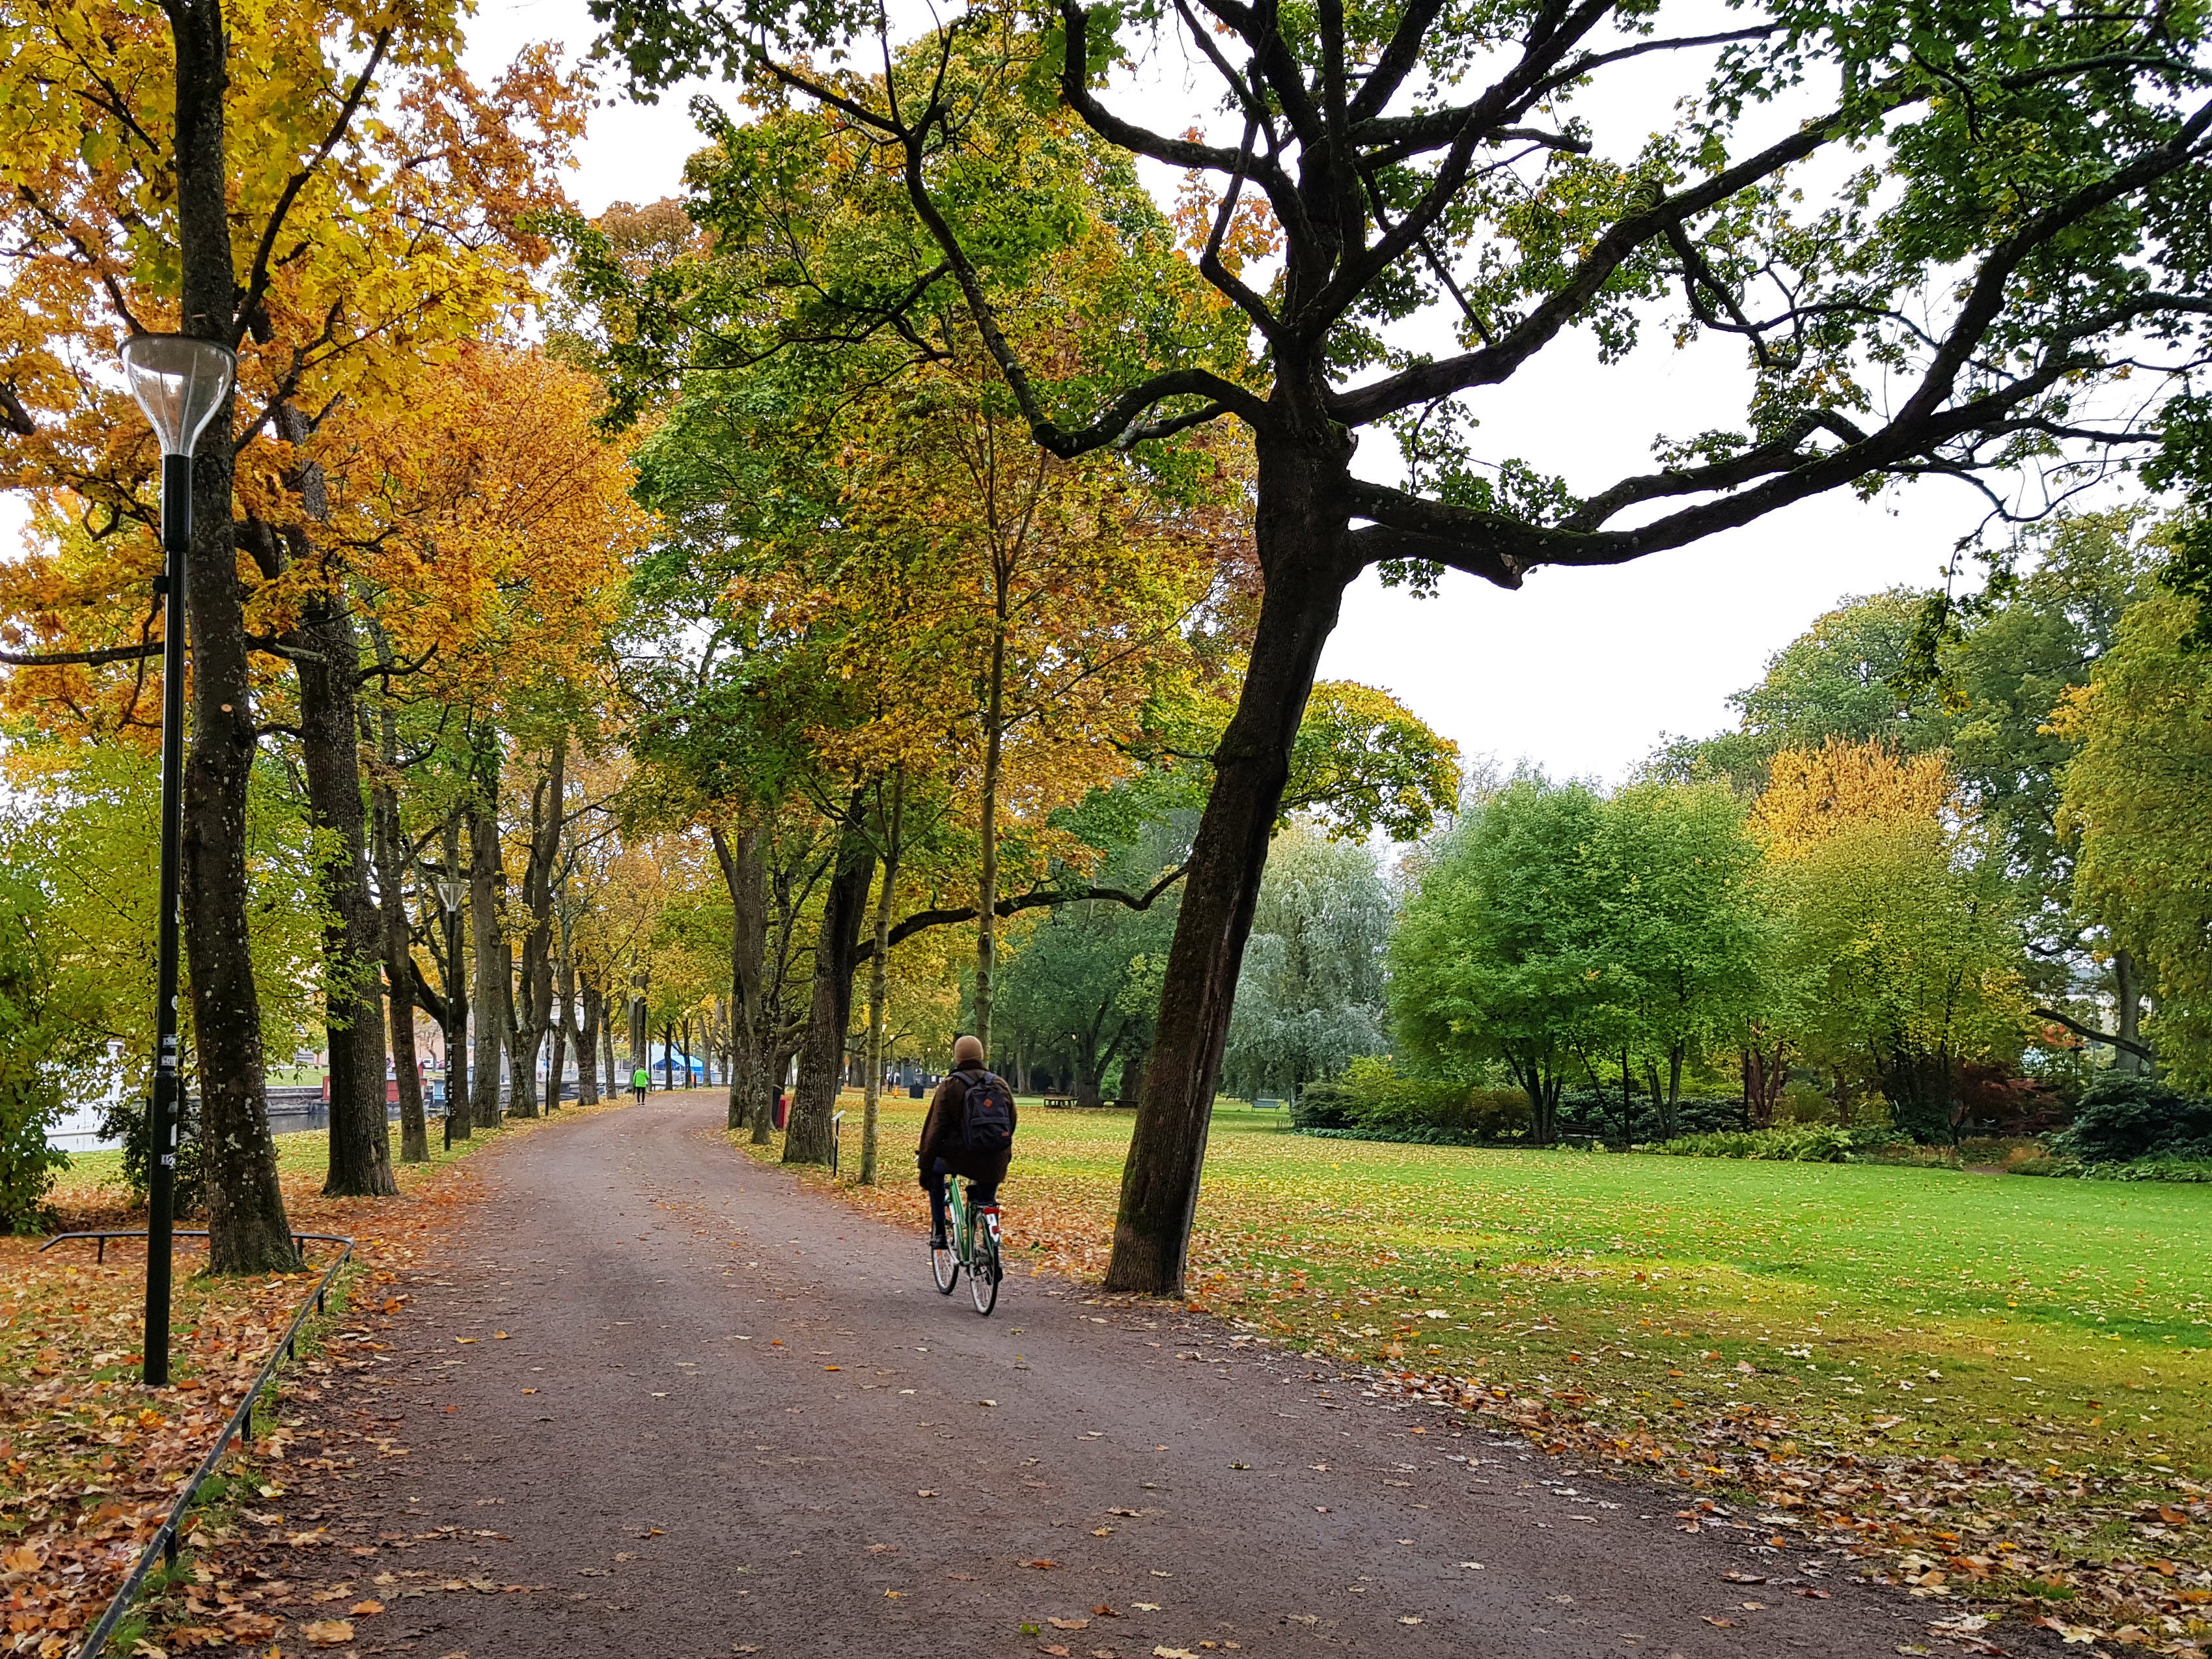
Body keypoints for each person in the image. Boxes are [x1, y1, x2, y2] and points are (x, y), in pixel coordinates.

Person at [917, 1035, 1017, 1249]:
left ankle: (940, 1232)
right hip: (996, 1158)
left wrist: (924, 1166)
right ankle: (990, 1243)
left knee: (935, 1170)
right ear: (981, 1055)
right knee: (986, 1198)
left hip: (961, 1157)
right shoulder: (999, 1083)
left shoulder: (951, 1085)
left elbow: (936, 1129)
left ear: (957, 1058)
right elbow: (1012, 1121)